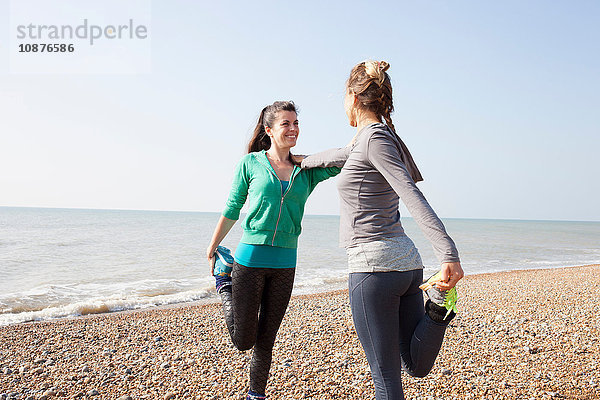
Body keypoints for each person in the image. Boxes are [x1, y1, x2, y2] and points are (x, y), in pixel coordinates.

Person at [302, 61, 464, 400]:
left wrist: (448, 254)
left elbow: (410, 193)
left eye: (343, 97)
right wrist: (299, 160)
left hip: (374, 267)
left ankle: (437, 308)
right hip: (405, 265)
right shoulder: (376, 138)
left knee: (386, 381)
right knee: (414, 365)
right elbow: (339, 155)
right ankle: (437, 310)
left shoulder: (374, 140)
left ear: (355, 97)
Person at [206, 101, 348, 400]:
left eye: (296, 123)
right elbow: (233, 207)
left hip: (285, 261)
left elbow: (345, 160)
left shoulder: (306, 171)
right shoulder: (251, 164)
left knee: (267, 338)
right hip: (250, 258)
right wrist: (213, 244)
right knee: (243, 340)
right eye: (286, 123)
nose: (293, 128)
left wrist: (305, 159)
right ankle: (224, 281)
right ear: (269, 130)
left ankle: (256, 394)